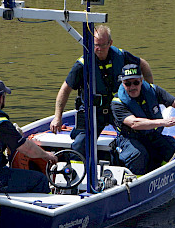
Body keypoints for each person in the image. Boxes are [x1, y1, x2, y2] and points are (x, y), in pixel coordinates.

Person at [50, 24, 152, 159]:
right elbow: (65, 89)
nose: (98, 49)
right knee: (80, 145)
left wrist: (149, 92)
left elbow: (143, 64)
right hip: (92, 111)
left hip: (117, 110)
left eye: (102, 45)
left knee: (140, 138)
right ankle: (77, 173)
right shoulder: (82, 64)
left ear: (110, 43)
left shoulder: (121, 56)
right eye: (95, 45)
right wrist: (58, 117)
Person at [110, 63, 175, 175]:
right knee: (138, 154)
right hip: (129, 138)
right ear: (122, 83)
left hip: (151, 135)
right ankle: (136, 180)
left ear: (141, 80)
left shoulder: (153, 91)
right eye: (127, 84)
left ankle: (160, 172)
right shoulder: (117, 103)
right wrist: (163, 122)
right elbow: (134, 123)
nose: (132, 87)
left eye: (136, 82)